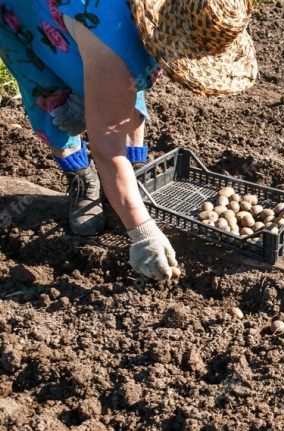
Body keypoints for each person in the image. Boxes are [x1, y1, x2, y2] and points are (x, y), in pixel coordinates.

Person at [0, 0, 257, 279]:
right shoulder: (116, 45)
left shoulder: (154, 17)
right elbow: (107, 151)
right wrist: (144, 235)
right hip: (23, 11)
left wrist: (95, 91)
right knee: (50, 92)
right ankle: (81, 176)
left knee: (129, 79)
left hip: (93, 30)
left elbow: (128, 76)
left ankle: (130, 177)